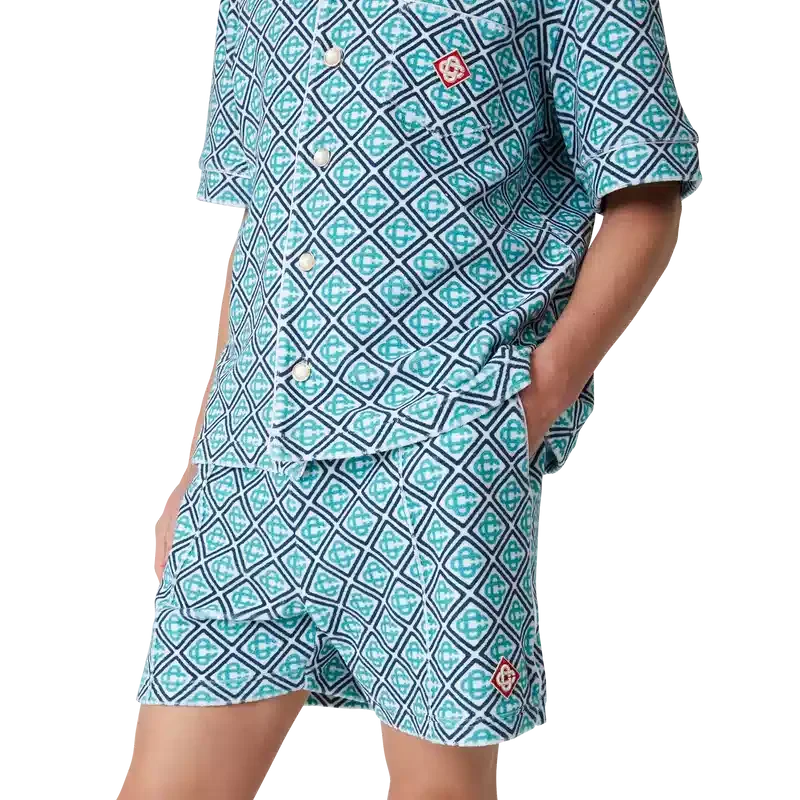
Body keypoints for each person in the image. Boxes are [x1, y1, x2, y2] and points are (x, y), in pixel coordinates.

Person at [120, 0, 703, 797]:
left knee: (438, 789)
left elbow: (644, 189)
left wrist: (534, 395)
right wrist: (197, 469)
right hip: (251, 464)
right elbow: (263, 223)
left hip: (433, 450)